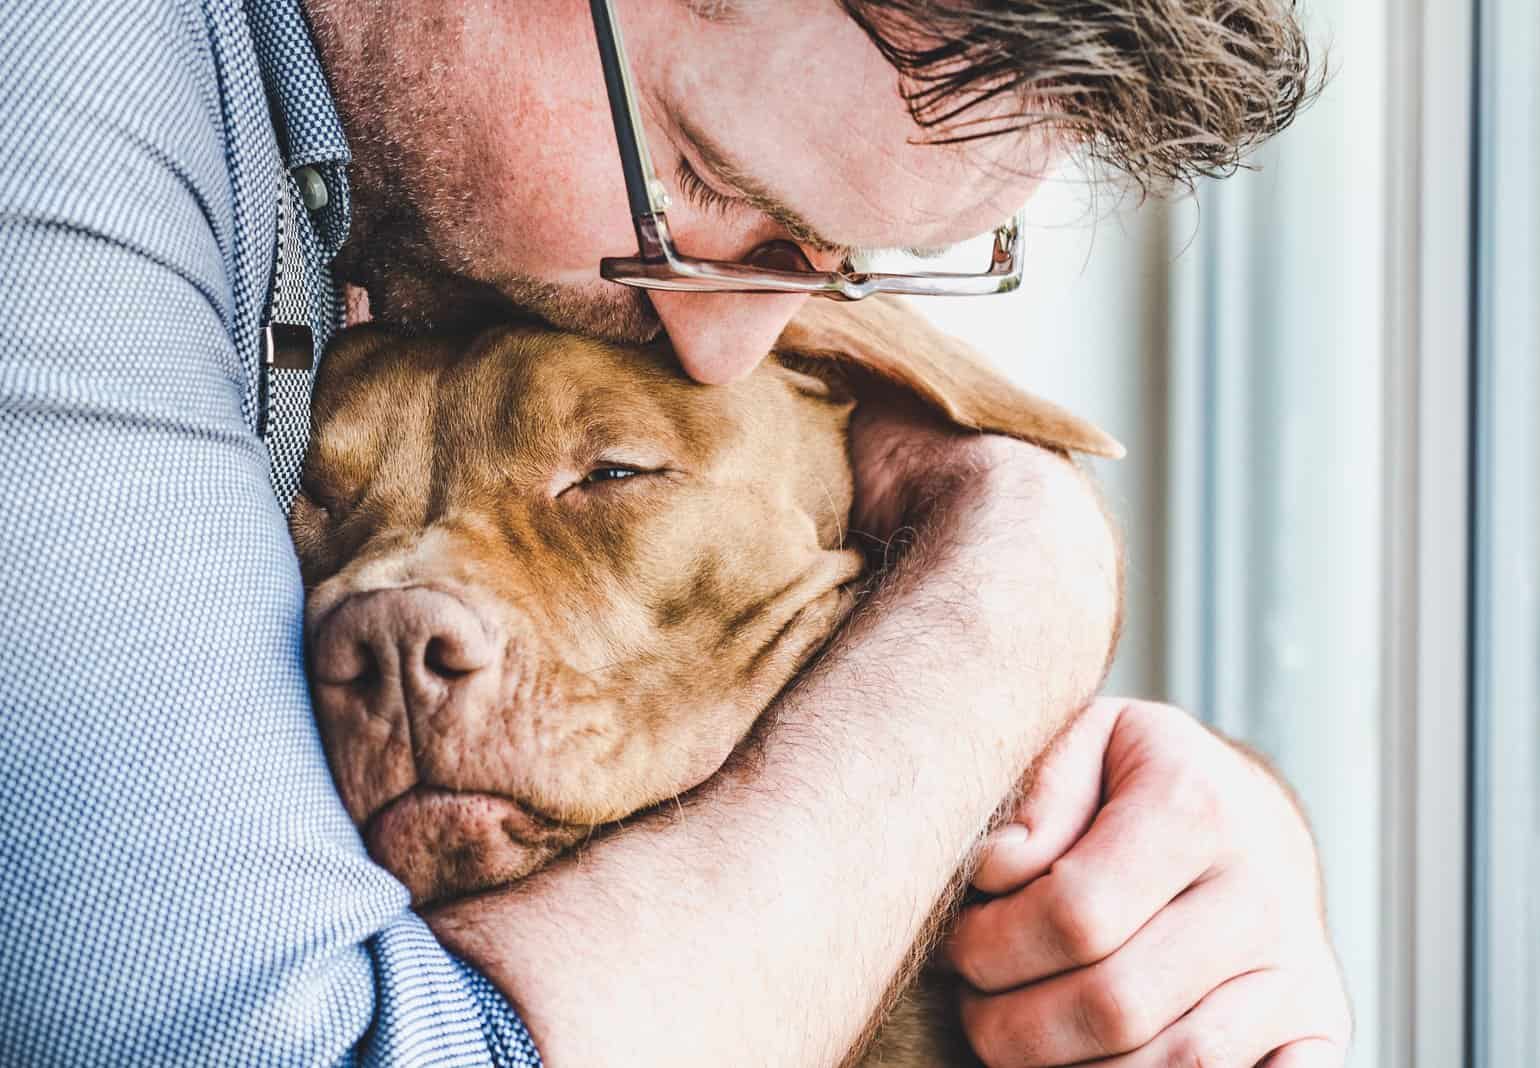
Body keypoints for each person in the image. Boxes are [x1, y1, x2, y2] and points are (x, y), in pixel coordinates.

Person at [0, 0, 1351, 1064]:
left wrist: (1164, 870)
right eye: (702, 182)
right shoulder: (60, 100)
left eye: (831, 265)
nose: (725, 338)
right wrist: (1015, 590)